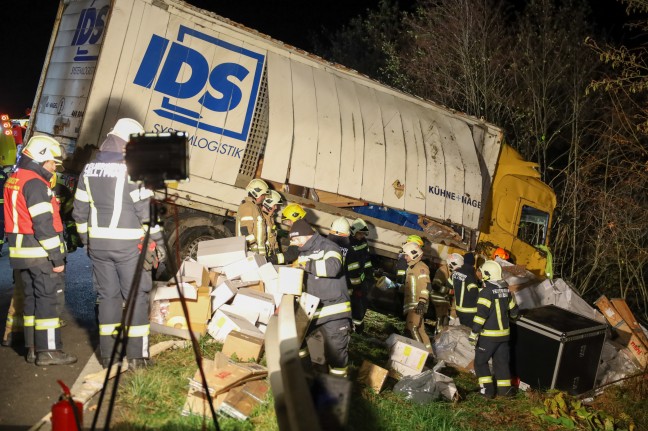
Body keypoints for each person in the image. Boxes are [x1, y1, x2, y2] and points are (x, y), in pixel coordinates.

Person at [73, 118, 162, 370]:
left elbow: (79, 212)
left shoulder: (89, 168)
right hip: (128, 248)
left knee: (108, 299)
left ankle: (109, 356)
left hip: (98, 248)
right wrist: (157, 241)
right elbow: (146, 212)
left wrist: (88, 240)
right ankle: (137, 357)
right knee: (136, 297)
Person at [4, 135, 76, 365]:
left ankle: (32, 348)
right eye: (52, 162)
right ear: (41, 157)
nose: (54, 167)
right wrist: (57, 257)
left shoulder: (15, 178)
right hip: (39, 254)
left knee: (32, 301)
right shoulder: (35, 183)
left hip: (21, 255)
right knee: (48, 301)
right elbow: (43, 224)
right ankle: (49, 351)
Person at [290, 219, 351, 378]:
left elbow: (333, 267)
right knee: (296, 341)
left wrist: (305, 265)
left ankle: (336, 395)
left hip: (334, 311)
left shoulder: (329, 246)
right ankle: (306, 376)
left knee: (336, 358)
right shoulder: (304, 252)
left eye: (295, 239)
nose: (294, 243)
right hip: (310, 307)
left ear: (304, 236)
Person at [469, 260, 519, 398]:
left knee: (480, 362)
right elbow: (514, 311)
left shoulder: (485, 293)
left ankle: (487, 391)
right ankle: (505, 391)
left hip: (489, 337)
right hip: (504, 336)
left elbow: (480, 316)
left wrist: (473, 333)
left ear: (487, 275)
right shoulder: (506, 290)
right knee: (501, 363)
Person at [327, 217, 366, 333]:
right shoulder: (350, 251)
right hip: (342, 290)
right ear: (348, 234)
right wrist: (357, 287)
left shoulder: (323, 244)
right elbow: (354, 273)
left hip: (324, 286)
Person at [402, 242, 434, 353]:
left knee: (412, 328)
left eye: (407, 255)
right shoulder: (411, 268)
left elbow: (426, 287)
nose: (405, 257)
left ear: (414, 254)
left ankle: (420, 354)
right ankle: (430, 355)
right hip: (414, 304)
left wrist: (421, 303)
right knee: (420, 330)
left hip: (417, 305)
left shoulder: (421, 268)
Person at [236, 179, 268, 255]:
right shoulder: (248, 207)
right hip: (248, 251)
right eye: (263, 195)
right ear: (256, 193)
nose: (264, 197)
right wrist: (254, 248)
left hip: (252, 251)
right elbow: (245, 231)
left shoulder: (253, 207)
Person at [452, 252, 480, 326]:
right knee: (468, 333)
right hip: (469, 312)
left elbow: (448, 284)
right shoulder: (470, 276)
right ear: (473, 263)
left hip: (458, 310)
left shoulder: (455, 272)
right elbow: (474, 293)